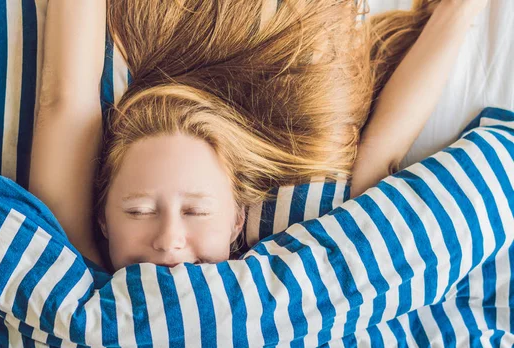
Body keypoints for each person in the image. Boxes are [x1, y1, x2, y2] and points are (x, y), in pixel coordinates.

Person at [29, 0, 489, 272]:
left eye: (196, 210)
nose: (169, 241)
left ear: (236, 223)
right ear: (104, 220)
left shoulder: (289, 288)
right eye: (138, 210)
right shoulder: (69, 266)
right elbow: (63, 101)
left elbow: (377, 156)